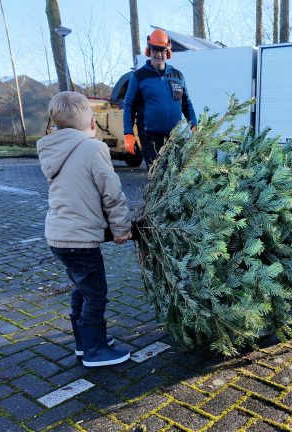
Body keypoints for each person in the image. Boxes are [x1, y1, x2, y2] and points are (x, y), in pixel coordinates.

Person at [37, 91, 133, 367]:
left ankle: (85, 342)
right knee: (95, 293)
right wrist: (121, 228)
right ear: (92, 123)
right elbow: (111, 193)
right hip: (78, 241)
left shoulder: (52, 149)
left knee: (81, 288)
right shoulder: (94, 148)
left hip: (59, 237)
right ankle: (95, 351)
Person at [123, 28, 197, 168]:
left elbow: (186, 103)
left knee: (174, 176)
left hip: (174, 137)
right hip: (150, 137)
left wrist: (193, 123)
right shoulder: (139, 76)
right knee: (158, 178)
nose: (158, 55)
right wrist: (128, 133)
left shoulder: (177, 76)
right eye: (155, 50)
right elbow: (129, 106)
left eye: (162, 51)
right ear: (149, 51)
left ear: (168, 53)